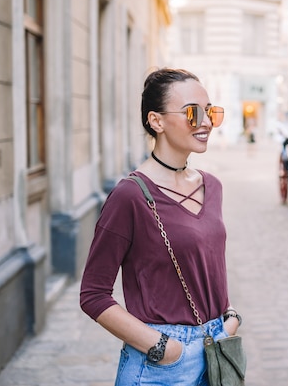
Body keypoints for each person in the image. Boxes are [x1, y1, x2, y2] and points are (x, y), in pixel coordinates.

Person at [80, 68, 241, 386]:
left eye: (210, 112)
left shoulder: (212, 186)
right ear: (157, 121)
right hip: (161, 368)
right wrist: (164, 348)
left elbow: (207, 267)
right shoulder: (130, 195)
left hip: (217, 351)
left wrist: (230, 318)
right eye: (193, 113)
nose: (206, 122)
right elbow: (93, 295)